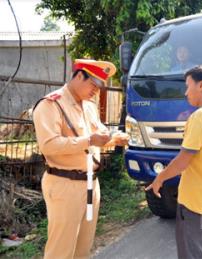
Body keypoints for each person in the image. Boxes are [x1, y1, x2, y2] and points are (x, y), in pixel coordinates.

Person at [33, 59, 129, 259]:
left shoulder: (89, 106)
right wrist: (89, 140)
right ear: (78, 76)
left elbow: (97, 135)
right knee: (61, 250)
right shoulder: (51, 104)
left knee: (83, 247)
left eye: (99, 86)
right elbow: (49, 145)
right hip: (64, 185)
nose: (96, 90)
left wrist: (112, 139)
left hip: (90, 185)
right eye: (93, 85)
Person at [146, 65, 202, 259]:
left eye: (188, 86)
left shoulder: (200, 116)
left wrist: (159, 179)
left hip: (195, 203)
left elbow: (183, 160)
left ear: (201, 85)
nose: (186, 92)